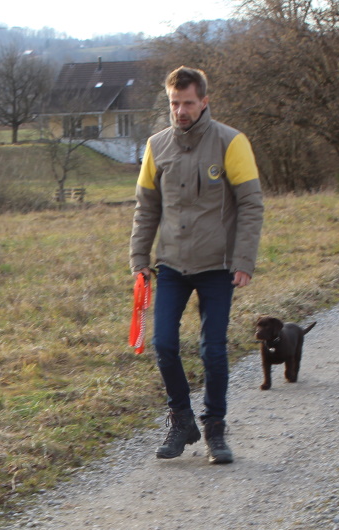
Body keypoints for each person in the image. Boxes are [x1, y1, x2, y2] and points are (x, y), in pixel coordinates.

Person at [129, 65, 264, 464]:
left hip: (218, 265)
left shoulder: (231, 142)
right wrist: (139, 258)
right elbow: (146, 207)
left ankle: (215, 430)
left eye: (188, 103)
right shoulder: (156, 146)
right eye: (174, 103)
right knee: (164, 344)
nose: (181, 111)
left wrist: (243, 260)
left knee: (213, 349)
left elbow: (251, 205)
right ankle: (181, 419)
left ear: (204, 101)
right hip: (171, 263)